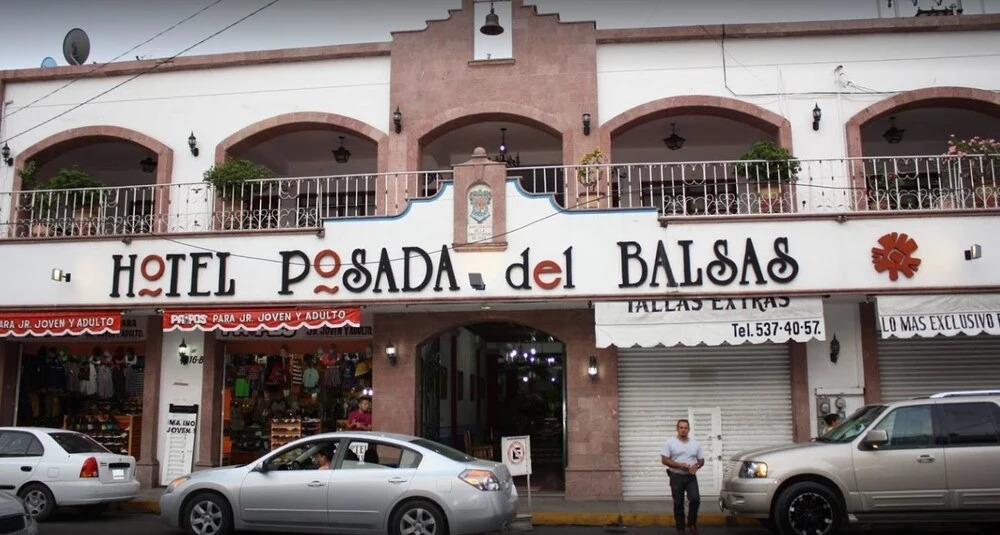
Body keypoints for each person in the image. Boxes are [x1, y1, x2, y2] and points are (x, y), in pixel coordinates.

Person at [661, 419, 704, 535]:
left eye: (685, 428)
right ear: (677, 429)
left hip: (690, 477)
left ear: (689, 429)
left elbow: (701, 460)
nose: (683, 430)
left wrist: (697, 466)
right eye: (681, 427)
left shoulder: (695, 443)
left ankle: (692, 523)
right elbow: (664, 460)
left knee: (695, 499)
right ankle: (680, 527)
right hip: (676, 477)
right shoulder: (670, 442)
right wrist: (680, 465)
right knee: (678, 502)